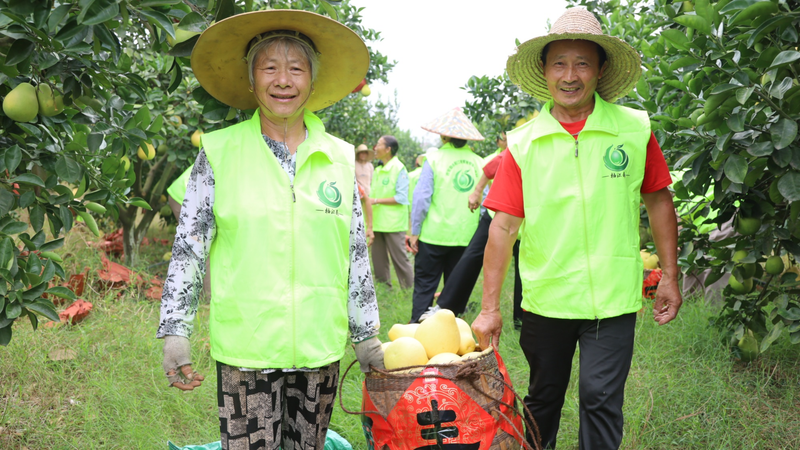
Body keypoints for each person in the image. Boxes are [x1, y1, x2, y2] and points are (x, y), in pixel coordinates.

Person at [156, 10, 384, 449]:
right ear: (251, 79)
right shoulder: (219, 152)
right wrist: (175, 332)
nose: (283, 80)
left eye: (296, 68)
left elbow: (354, 251)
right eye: (270, 67)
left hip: (319, 348)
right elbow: (189, 247)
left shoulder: (338, 157)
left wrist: (366, 335)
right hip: (248, 346)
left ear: (312, 82)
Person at [471, 8, 681, 449]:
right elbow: (503, 226)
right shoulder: (524, 142)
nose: (570, 75)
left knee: (600, 397)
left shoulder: (633, 129)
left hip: (613, 296)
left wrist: (670, 276)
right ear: (545, 72)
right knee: (543, 398)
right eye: (559, 64)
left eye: (582, 63)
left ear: (600, 70)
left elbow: (660, 200)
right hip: (548, 298)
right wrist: (489, 307)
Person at [418, 147, 525, 329]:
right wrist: (477, 191)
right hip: (499, 217)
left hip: (530, 222)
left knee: (525, 268)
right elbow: (490, 168)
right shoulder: (527, 139)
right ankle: (445, 306)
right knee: (472, 258)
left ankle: (522, 321)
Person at [408, 107, 485, 323]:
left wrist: (415, 231)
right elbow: (486, 202)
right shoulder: (480, 163)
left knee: (425, 286)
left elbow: (422, 198)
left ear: (443, 136)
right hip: (466, 238)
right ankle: (451, 335)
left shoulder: (434, 159)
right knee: (455, 289)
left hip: (433, 236)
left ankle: (416, 332)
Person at [369, 135, 414, 289]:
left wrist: (375, 201)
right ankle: (383, 289)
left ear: (388, 149)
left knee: (400, 259)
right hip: (377, 221)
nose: (375, 147)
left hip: (393, 223)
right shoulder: (378, 169)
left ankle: (408, 289)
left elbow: (401, 197)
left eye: (379, 144)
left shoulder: (399, 168)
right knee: (378, 260)